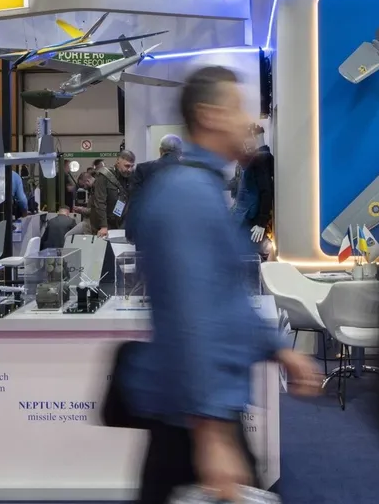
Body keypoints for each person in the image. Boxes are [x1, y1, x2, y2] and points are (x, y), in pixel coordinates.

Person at [123, 66, 320, 504]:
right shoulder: (187, 195)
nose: (247, 121)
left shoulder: (203, 188)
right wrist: (212, 434)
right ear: (209, 115)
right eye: (237, 109)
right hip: (194, 414)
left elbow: (228, 296)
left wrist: (280, 349)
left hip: (199, 409)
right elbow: (191, 317)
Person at [233, 125, 274, 259]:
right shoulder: (253, 160)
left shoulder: (260, 160)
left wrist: (261, 222)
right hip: (245, 216)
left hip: (251, 219)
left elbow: (266, 191)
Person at [90, 152, 135, 238]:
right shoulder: (104, 176)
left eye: (132, 166)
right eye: (127, 166)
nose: (129, 169)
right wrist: (103, 226)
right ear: (118, 162)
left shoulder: (131, 177)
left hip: (122, 222)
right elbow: (100, 202)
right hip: (105, 223)